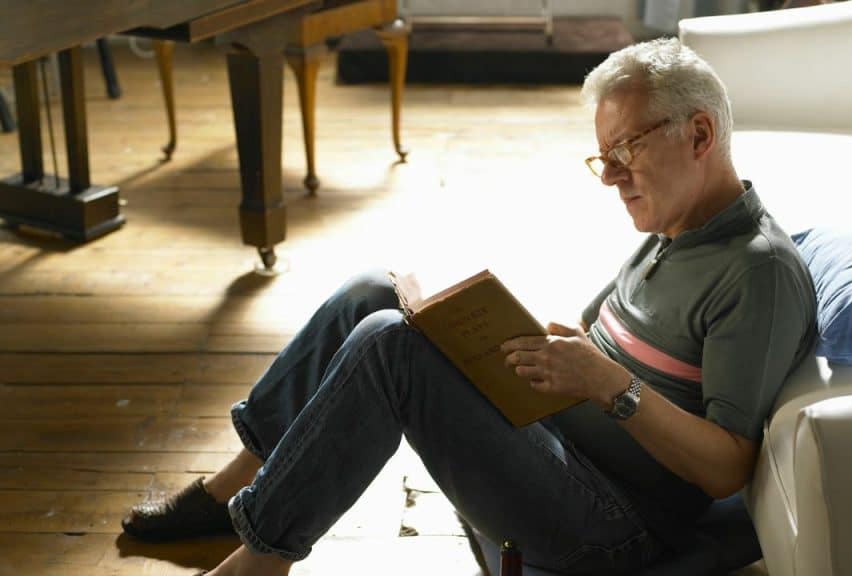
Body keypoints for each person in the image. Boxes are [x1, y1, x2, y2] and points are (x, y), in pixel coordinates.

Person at [122, 37, 817, 576]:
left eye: (627, 148)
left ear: (699, 136)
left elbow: (727, 467)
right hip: (562, 444)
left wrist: (608, 384)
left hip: (614, 523)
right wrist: (519, 343)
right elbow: (607, 351)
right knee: (375, 290)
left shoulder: (757, 274)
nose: (609, 175)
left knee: (391, 346)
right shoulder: (676, 229)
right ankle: (230, 490)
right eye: (602, 156)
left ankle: (260, 559)